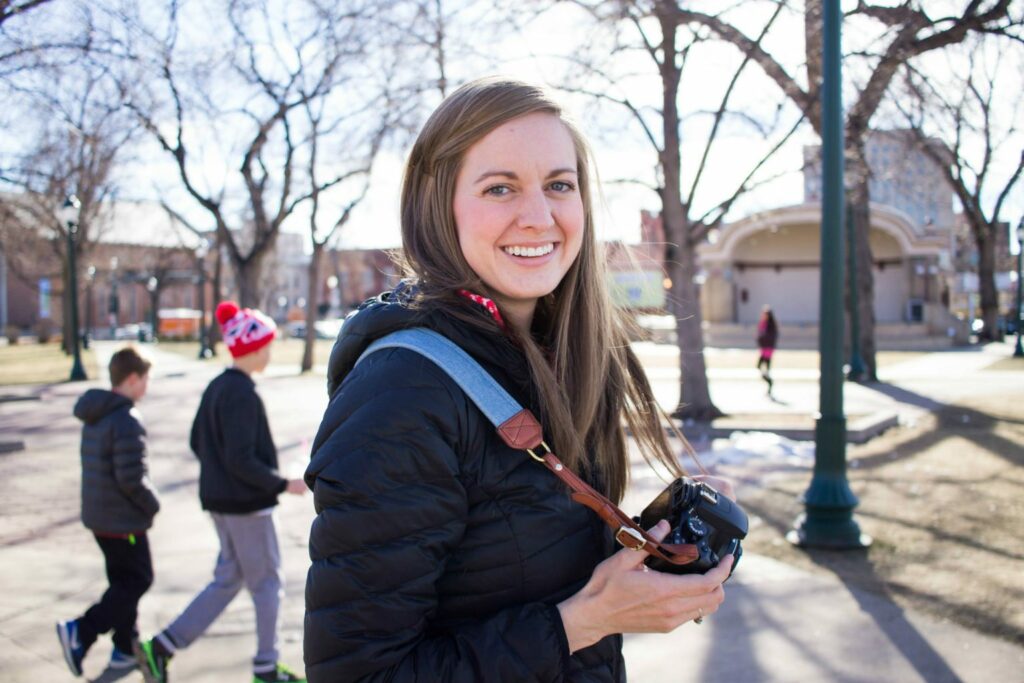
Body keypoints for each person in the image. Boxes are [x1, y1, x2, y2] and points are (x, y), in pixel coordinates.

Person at [303, 77, 735, 683]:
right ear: (439, 206)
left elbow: (517, 559)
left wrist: (641, 566)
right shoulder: (400, 393)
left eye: (559, 185)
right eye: (499, 188)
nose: (539, 217)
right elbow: (359, 674)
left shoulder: (563, 355)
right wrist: (582, 622)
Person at [137, 301, 307, 683]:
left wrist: (221, 477)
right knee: (267, 583)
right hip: (246, 506)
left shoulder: (218, 386)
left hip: (221, 502)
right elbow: (241, 459)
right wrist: (283, 484)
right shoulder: (242, 394)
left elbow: (199, 442)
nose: (270, 352)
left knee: (229, 578)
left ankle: (162, 647)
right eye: (267, 346)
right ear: (255, 348)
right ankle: (266, 667)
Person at [57, 346, 159, 677]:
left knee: (122, 581)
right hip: (122, 520)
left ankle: (124, 648)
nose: (146, 386)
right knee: (139, 579)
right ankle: (82, 631)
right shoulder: (126, 419)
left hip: (101, 518)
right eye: (145, 379)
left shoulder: (96, 413)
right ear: (132, 379)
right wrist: (151, 504)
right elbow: (131, 478)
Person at [756, 305, 779, 396]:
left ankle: (770, 384)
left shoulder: (771, 325)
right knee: (760, 367)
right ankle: (769, 383)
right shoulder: (763, 323)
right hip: (763, 349)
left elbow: (770, 337)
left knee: (765, 369)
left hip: (768, 350)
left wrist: (763, 339)